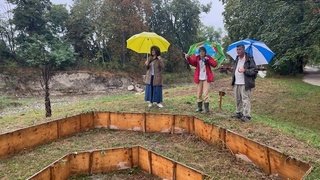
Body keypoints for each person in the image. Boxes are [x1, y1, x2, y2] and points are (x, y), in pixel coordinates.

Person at [185, 47, 218, 113]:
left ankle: (206, 109)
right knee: (199, 93)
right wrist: (188, 57)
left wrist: (207, 60)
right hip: (199, 78)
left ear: (205, 52)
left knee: (205, 93)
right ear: (199, 52)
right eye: (200, 51)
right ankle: (199, 108)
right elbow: (192, 63)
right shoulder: (197, 58)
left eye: (203, 51)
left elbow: (214, 64)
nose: (202, 53)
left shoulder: (208, 57)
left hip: (206, 78)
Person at [231, 44, 258, 122]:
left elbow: (254, 71)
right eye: (237, 50)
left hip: (245, 83)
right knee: (237, 99)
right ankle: (238, 113)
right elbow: (235, 69)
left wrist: (245, 70)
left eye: (239, 49)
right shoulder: (236, 59)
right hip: (236, 82)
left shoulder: (249, 59)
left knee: (245, 99)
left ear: (243, 50)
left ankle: (247, 116)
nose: (238, 51)